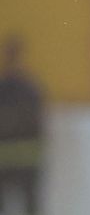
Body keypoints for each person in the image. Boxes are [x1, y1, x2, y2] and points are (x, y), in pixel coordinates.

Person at [0, 36, 44, 215]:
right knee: (30, 205)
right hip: (28, 157)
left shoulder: (4, 88)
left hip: (6, 158)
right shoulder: (31, 89)